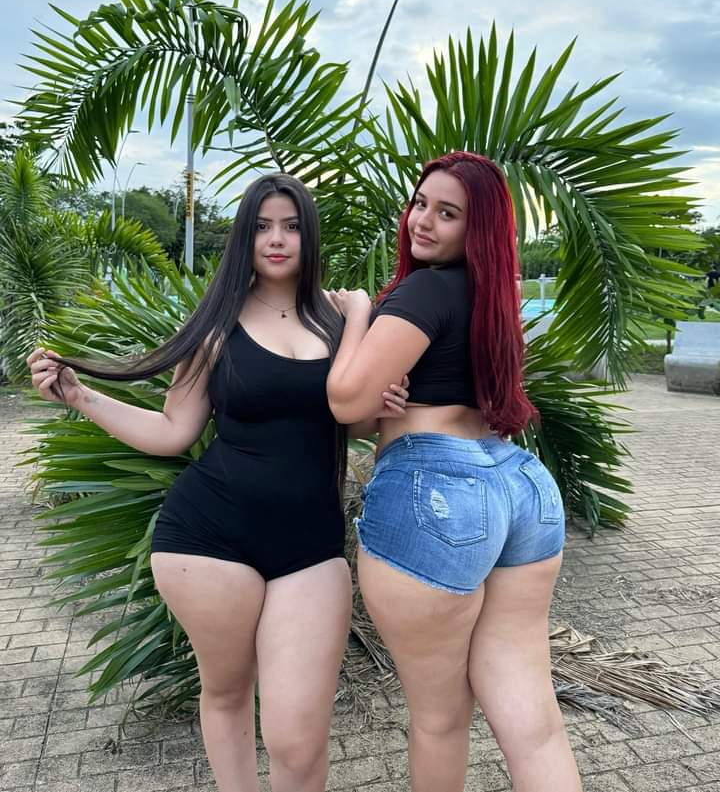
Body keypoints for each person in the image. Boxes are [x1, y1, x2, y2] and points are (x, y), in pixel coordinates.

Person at [27, 174, 408, 792]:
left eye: (291, 226)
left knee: (297, 738)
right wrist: (80, 396)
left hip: (310, 548)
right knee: (227, 691)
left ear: (309, 235)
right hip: (208, 539)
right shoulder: (216, 328)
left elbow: (353, 419)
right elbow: (173, 431)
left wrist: (375, 366)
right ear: (243, 237)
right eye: (262, 226)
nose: (276, 239)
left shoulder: (338, 323)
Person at [326, 152, 582, 792]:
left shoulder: (424, 290)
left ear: (477, 229)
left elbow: (346, 402)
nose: (423, 221)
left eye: (448, 213)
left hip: (436, 494)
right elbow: (381, 412)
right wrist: (382, 406)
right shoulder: (494, 299)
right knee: (535, 723)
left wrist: (357, 314)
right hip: (520, 487)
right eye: (421, 203)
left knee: (440, 719)